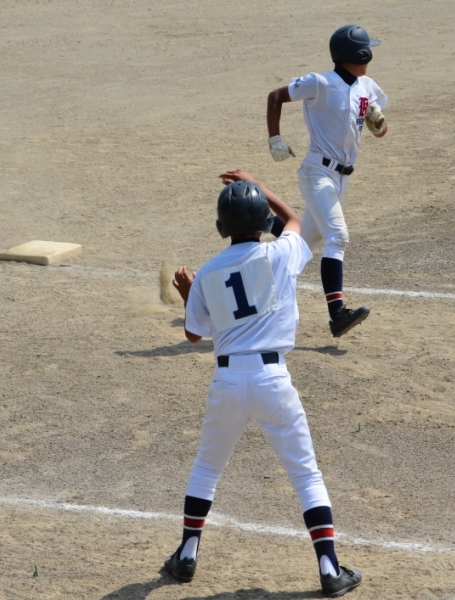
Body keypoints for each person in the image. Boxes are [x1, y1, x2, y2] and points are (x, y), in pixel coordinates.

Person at [162, 169, 362, 597]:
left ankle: (187, 555)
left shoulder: (208, 271)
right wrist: (259, 185)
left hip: (228, 381)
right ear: (261, 222)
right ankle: (329, 569)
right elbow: (293, 221)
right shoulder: (280, 253)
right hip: (273, 381)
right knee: (305, 474)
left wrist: (188, 294)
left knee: (207, 469)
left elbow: (195, 334)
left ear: (221, 227)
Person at [267, 24, 388, 338]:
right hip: (316, 174)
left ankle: (260, 222)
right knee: (337, 236)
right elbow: (275, 96)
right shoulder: (319, 83)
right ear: (359, 55)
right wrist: (275, 138)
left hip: (340, 179)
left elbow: (379, 128)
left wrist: (377, 123)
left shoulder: (367, 86)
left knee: (300, 246)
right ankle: (337, 314)